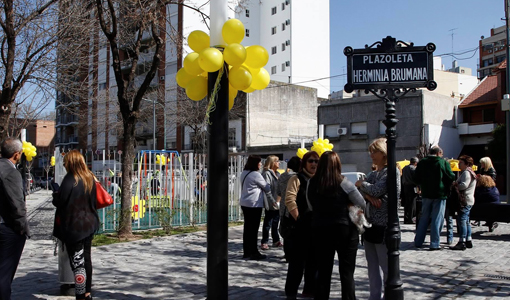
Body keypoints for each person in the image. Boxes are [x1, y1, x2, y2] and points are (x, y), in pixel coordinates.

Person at [309, 151, 366, 300]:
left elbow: (310, 205)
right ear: (338, 164)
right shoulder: (344, 182)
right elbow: (362, 203)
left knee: (323, 271)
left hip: (320, 228)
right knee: (347, 273)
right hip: (344, 229)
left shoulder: (312, 182)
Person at [355, 138, 400, 300]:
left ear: (383, 153)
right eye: (371, 151)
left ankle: (390, 296)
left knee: (387, 266)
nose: (371, 155)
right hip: (368, 225)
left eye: (375, 151)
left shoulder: (391, 172)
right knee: (372, 267)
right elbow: (358, 191)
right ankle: (374, 297)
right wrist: (367, 194)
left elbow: (379, 191)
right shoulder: (373, 173)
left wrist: (364, 187)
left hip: (384, 226)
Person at [52, 150, 99, 300]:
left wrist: (56, 194)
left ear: (70, 163)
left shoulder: (70, 179)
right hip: (89, 223)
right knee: (86, 259)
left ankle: (80, 296)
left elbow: (61, 202)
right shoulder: (89, 178)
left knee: (78, 263)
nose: (64, 164)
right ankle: (87, 292)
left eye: (66, 162)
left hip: (75, 226)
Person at [284, 151, 319, 299]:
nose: (313, 164)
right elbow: (290, 200)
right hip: (299, 227)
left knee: (313, 262)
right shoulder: (296, 178)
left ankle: (309, 289)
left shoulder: (319, 179)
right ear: (304, 163)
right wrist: (298, 218)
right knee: (297, 263)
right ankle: (291, 292)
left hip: (315, 227)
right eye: (311, 161)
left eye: (316, 162)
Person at [0, 138, 29, 300]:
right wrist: (22, 227)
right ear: (17, 155)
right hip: (7, 228)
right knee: (5, 272)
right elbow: (17, 204)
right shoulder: (11, 172)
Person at [414, 146, 455, 251]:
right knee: (437, 218)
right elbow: (450, 176)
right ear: (439, 153)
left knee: (424, 217)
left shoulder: (422, 162)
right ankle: (434, 243)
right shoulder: (442, 162)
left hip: (426, 193)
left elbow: (416, 177)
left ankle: (418, 241)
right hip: (439, 193)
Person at [239, 155, 271, 260]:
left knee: (247, 228)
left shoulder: (244, 173)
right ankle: (253, 251)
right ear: (255, 163)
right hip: (254, 204)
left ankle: (247, 251)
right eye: (259, 162)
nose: (261, 164)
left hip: (245, 202)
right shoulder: (256, 174)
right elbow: (266, 187)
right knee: (253, 229)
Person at [450, 155, 477, 251]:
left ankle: (462, 241)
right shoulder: (470, 172)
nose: (458, 164)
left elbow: (464, 185)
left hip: (464, 200)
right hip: (469, 199)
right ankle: (468, 240)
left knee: (462, 220)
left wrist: (455, 184)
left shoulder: (466, 173)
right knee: (466, 221)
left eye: (461, 162)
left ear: (466, 164)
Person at [277, 156, 301, 256]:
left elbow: (278, 192)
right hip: (295, 208)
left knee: (286, 231)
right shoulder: (298, 177)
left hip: (284, 207)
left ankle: (287, 253)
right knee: (296, 232)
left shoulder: (282, 176)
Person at [261, 155, 282, 250]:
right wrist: (272, 201)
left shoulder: (277, 173)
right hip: (271, 202)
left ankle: (276, 240)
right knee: (268, 222)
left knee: (275, 222)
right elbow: (267, 188)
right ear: (272, 162)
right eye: (277, 161)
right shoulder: (267, 173)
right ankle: (264, 241)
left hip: (278, 202)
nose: (279, 163)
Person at [401, 157, 419, 224]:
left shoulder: (405, 168)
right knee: (412, 203)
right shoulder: (413, 169)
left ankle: (406, 218)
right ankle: (411, 218)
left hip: (405, 186)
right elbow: (416, 179)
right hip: (412, 186)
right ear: (415, 162)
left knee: (407, 203)